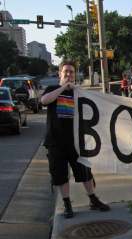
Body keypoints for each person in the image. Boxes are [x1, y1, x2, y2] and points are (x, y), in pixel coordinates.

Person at [40, 60, 110, 219]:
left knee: (85, 171)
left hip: (77, 142)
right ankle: (67, 204)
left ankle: (93, 199)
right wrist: (63, 87)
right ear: (60, 73)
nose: (69, 74)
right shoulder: (52, 89)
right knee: (60, 175)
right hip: (55, 142)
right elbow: (44, 101)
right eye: (66, 72)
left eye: (72, 72)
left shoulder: (79, 92)